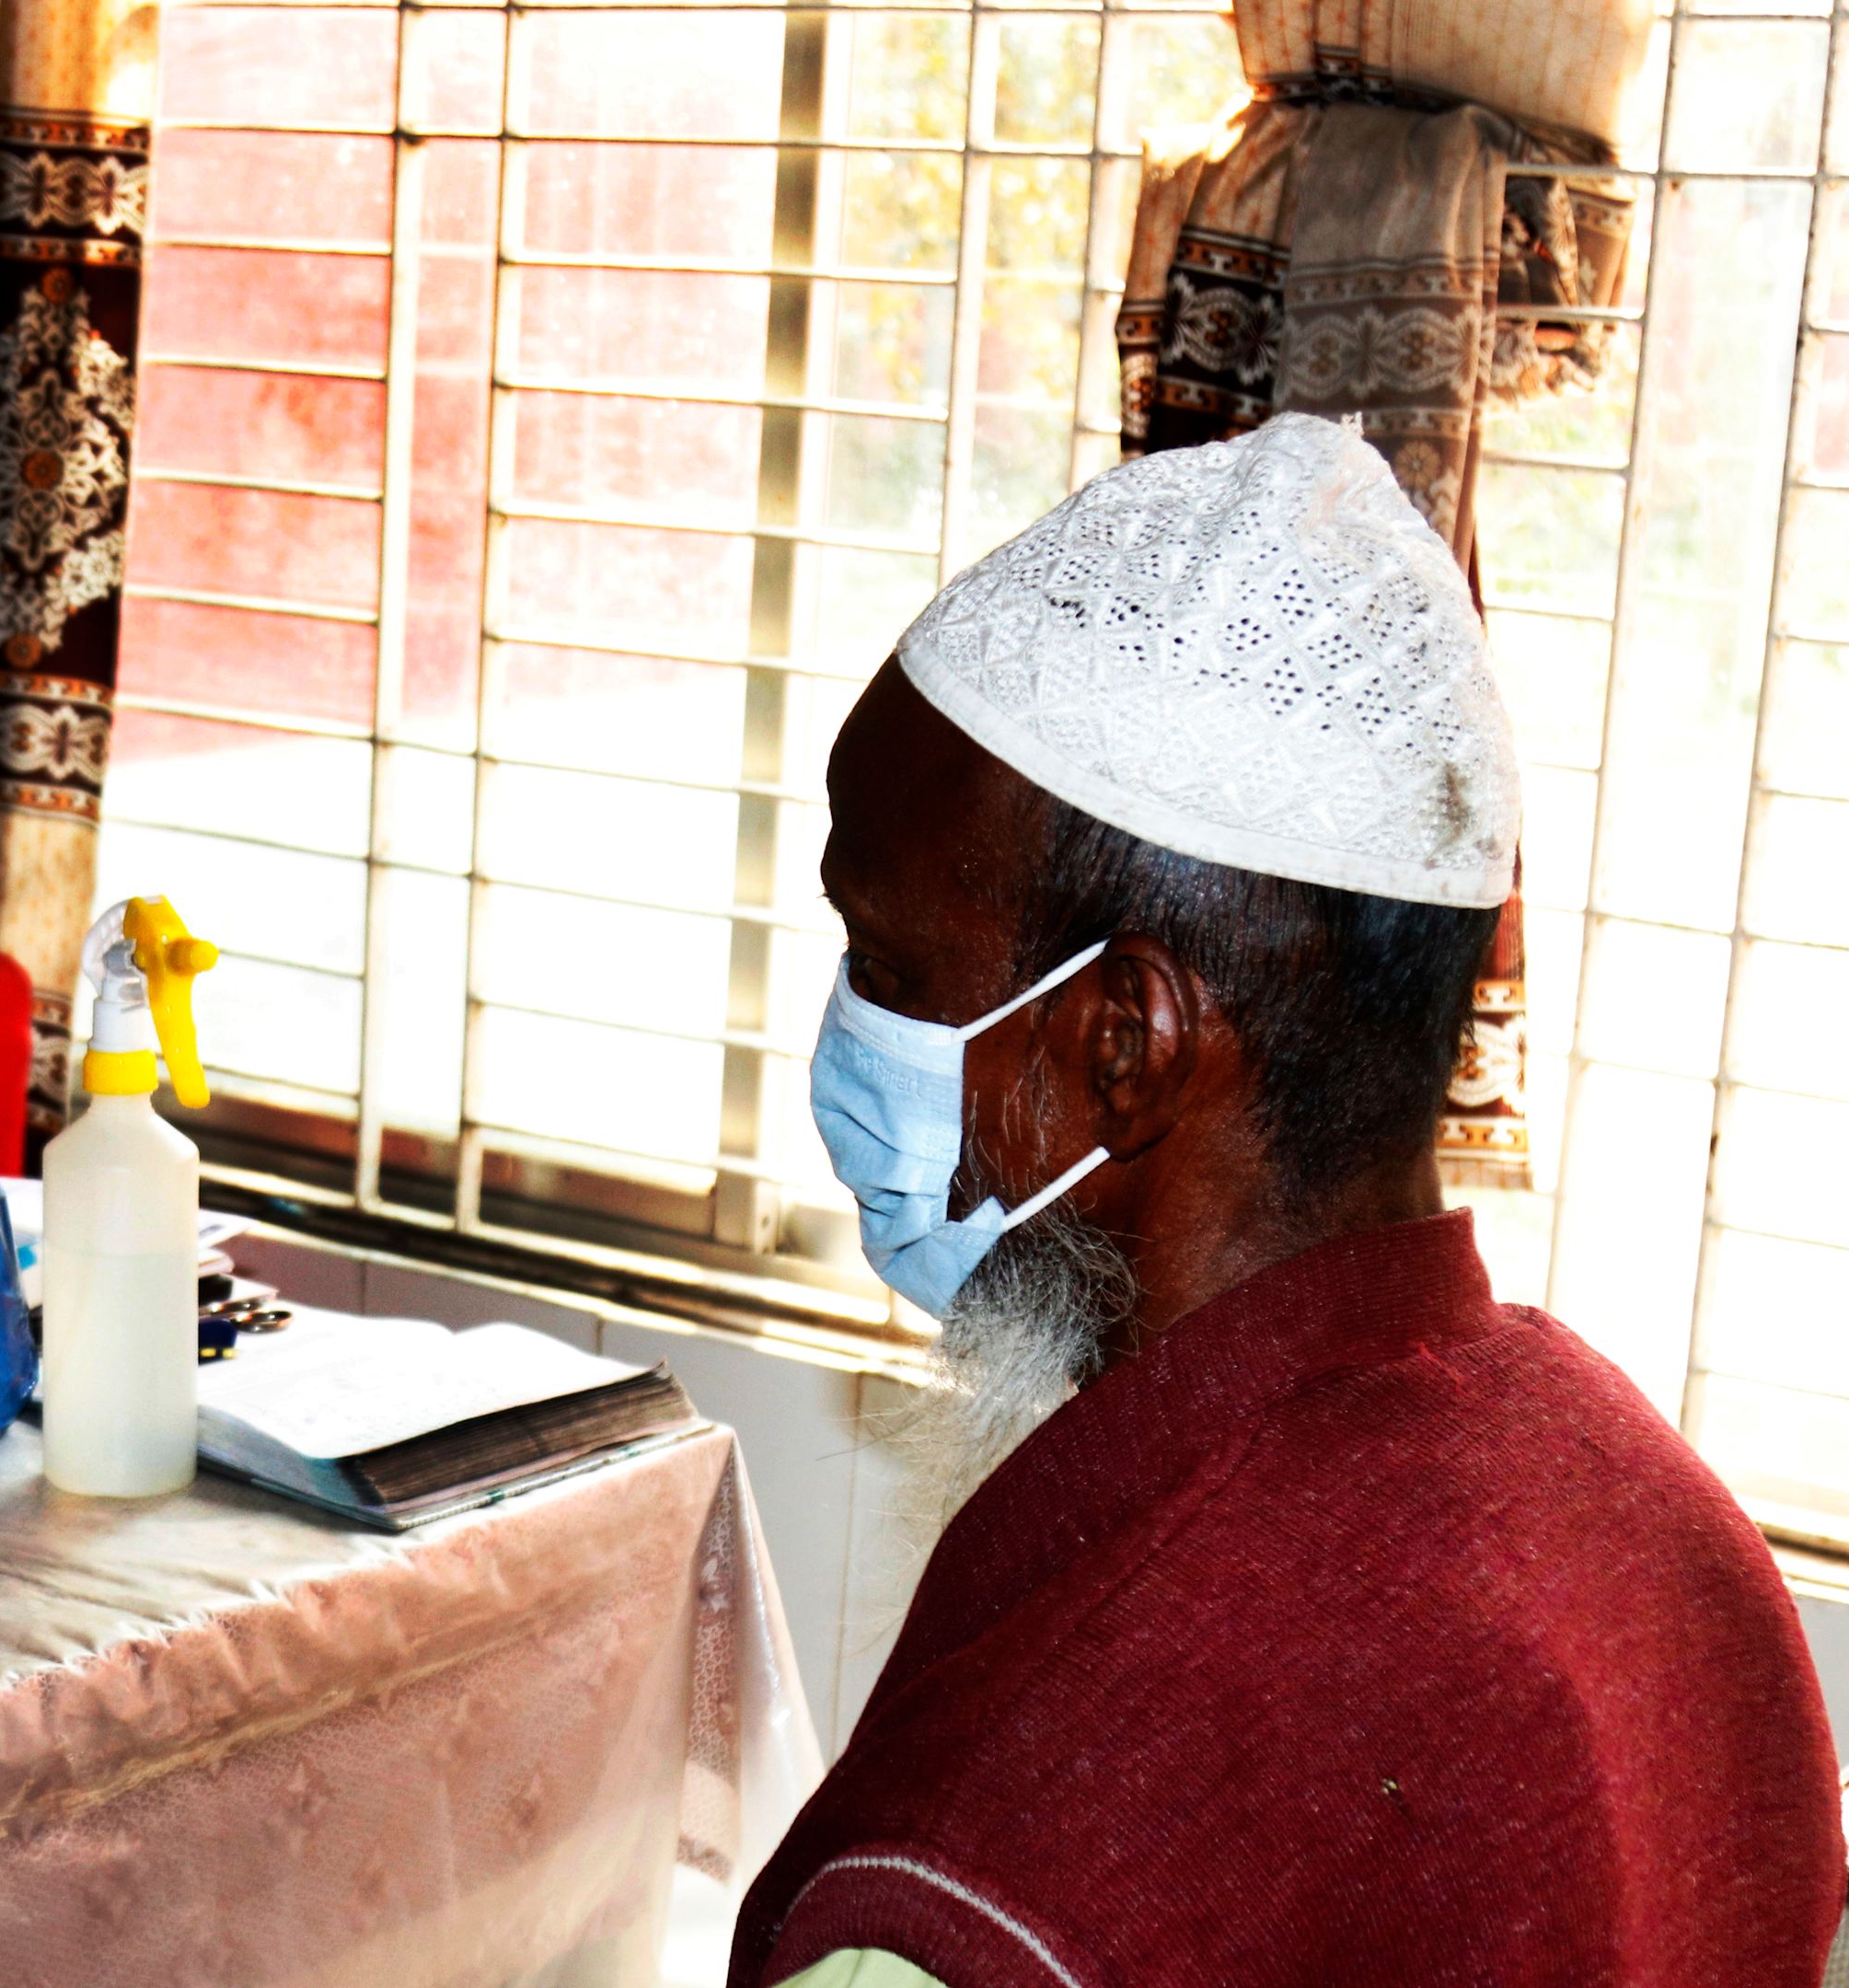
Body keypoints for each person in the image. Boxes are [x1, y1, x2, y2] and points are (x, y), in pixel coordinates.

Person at [739, 414, 1845, 1986]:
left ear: (1124, 1045)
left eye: (891, 965)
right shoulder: (1662, 1520)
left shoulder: (1024, 1845)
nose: (852, 1024)